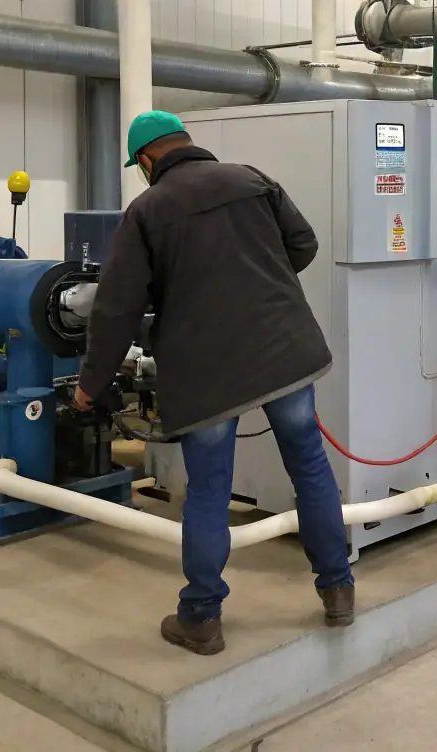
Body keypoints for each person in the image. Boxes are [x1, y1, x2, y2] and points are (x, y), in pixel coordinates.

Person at [74, 110, 354, 656]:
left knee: (208, 490)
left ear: (147, 160)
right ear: (186, 142)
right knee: (309, 466)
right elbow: (303, 244)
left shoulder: (147, 211)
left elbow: (116, 309)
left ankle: (201, 618)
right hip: (284, 353)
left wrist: (91, 383)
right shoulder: (251, 179)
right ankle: (338, 590)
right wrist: (257, 284)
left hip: (207, 371)